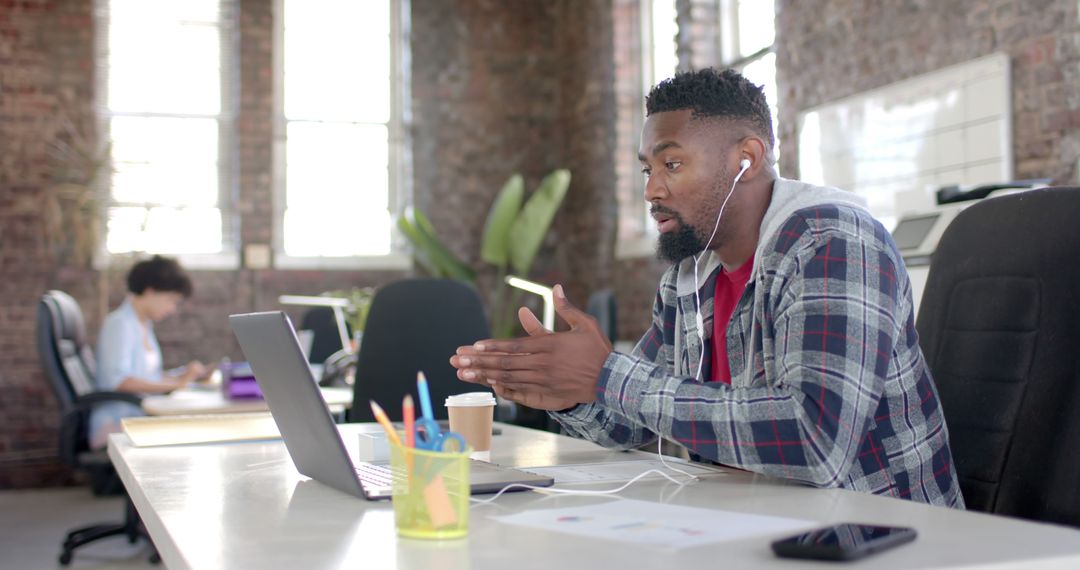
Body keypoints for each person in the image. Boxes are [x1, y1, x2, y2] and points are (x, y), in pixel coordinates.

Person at [451, 68, 964, 508]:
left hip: (877, 536)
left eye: (672, 164)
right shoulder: (690, 276)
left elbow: (815, 441)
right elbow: (629, 423)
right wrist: (564, 391)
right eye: (648, 169)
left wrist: (606, 376)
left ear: (748, 157)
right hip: (756, 522)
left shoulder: (831, 244)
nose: (652, 189)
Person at [89, 255, 207, 448]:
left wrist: (181, 377)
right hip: (118, 424)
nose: (172, 309)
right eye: (171, 300)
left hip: (138, 418)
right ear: (150, 291)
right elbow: (120, 382)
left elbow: (147, 377)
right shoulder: (120, 324)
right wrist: (177, 384)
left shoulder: (143, 325)